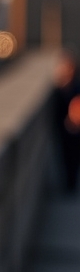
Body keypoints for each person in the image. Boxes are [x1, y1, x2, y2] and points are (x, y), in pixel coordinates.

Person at [52, 52, 80, 192]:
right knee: (65, 158)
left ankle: (71, 186)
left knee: (72, 158)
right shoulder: (59, 89)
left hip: (74, 131)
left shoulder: (76, 88)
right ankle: (69, 185)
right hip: (63, 130)